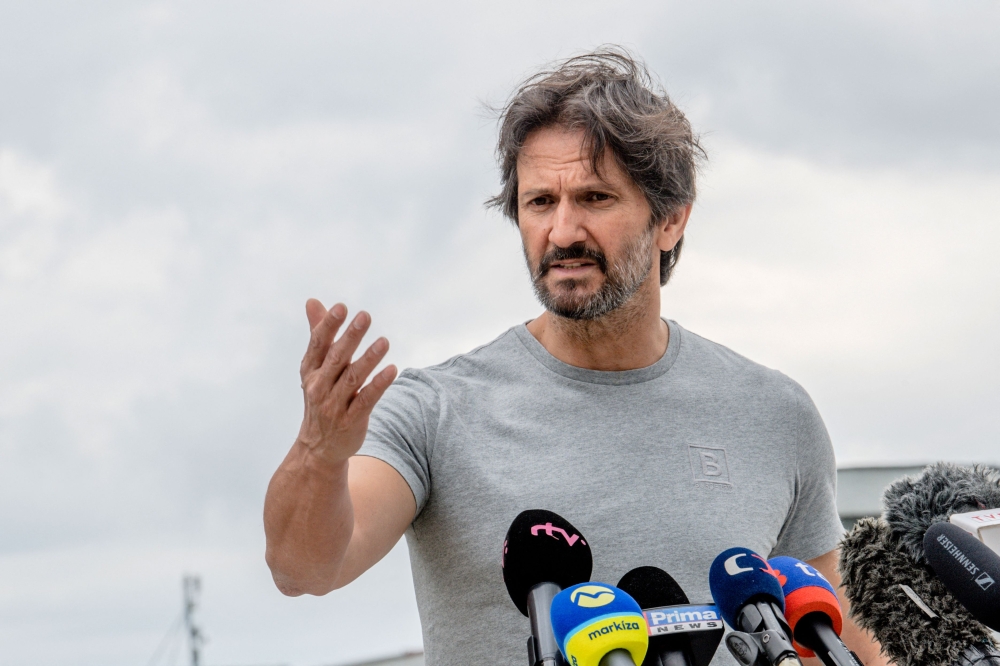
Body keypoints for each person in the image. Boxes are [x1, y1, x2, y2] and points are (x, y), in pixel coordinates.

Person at [263, 49, 887, 666]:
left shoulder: (775, 415)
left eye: (593, 198)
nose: (562, 233)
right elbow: (304, 568)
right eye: (539, 203)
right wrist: (320, 450)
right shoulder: (433, 411)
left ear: (670, 220)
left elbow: (833, 641)